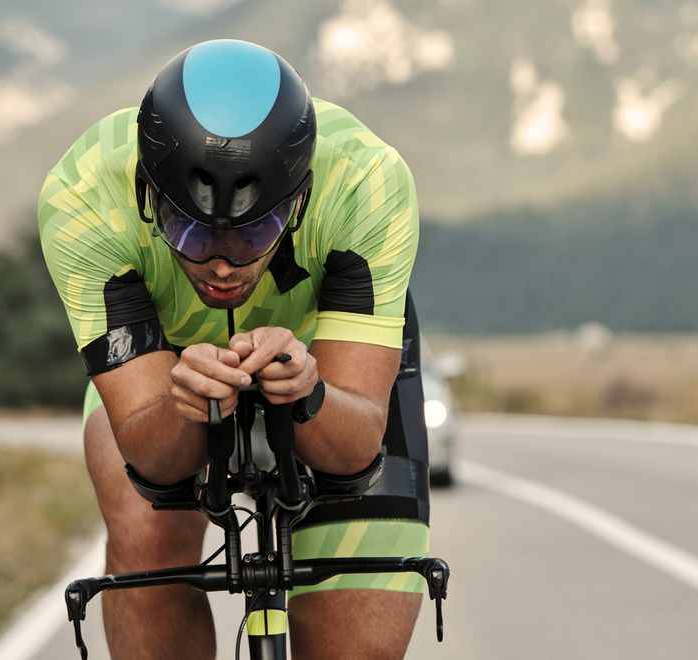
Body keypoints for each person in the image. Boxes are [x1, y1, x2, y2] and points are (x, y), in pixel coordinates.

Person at [38, 39, 429, 659]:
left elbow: (354, 451)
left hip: (325, 365)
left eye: (256, 231)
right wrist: (181, 403)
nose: (221, 262)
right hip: (164, 363)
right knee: (147, 542)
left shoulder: (367, 182)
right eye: (187, 227)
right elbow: (153, 463)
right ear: (146, 197)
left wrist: (312, 392)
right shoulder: (84, 195)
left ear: (299, 202)